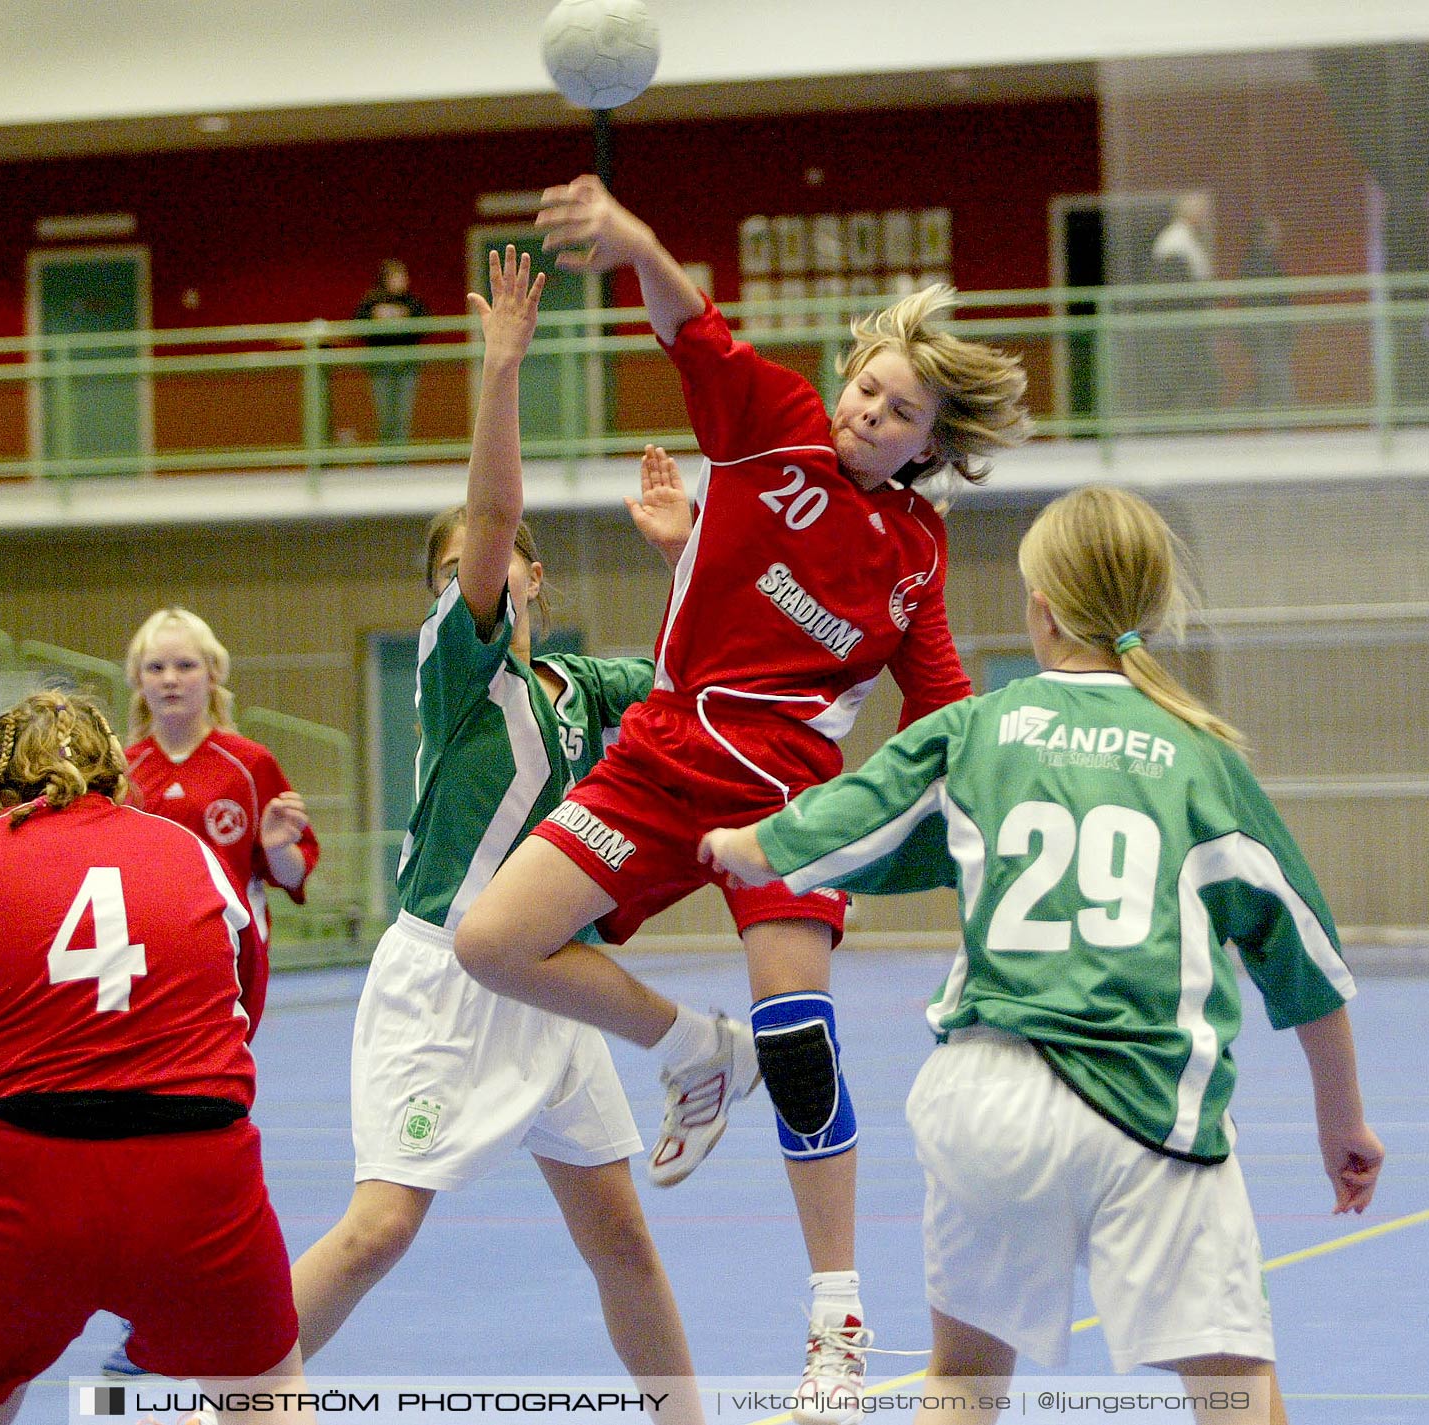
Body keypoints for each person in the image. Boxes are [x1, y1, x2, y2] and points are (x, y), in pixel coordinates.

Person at [452, 174, 1030, 1425]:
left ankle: (837, 1328)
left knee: (801, 1037)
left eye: (900, 412)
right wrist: (636, 240)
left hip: (788, 803)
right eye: (869, 386)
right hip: (660, 764)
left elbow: (939, 705)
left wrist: (1005, 789)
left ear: (931, 444)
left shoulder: (916, 556)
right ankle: (690, 1051)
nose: (871, 413)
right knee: (492, 941)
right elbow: (688, 323)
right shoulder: (766, 421)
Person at [700, 485, 1385, 1425]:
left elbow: (847, 820)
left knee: (963, 1381)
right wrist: (1342, 1120)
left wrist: (752, 843)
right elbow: (1301, 954)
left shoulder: (979, 729)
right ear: (1144, 610)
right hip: (1151, 1111)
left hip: (991, 1105)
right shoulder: (1201, 758)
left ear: (1044, 607)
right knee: (1236, 1386)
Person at [291, 245, 704, 1424]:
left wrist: (685, 558)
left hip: (548, 986)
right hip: (443, 978)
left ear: (539, 578)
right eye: (451, 570)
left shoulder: (585, 685)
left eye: (492, 563)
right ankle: (231, 1387)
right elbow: (491, 504)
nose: (468, 573)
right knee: (379, 1232)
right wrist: (502, 367)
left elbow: (694, 679)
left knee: (621, 1233)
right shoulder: (458, 675)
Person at [0, 691, 311, 1425]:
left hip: (21, 1184)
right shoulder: (190, 851)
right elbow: (242, 1005)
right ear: (114, 769)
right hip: (196, 1178)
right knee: (267, 1396)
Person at [103, 606, 319, 1376]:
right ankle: (149, 1309)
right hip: (137, 977)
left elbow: (291, 877)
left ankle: (203, 1309)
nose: (170, 679)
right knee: (133, 1137)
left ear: (213, 675)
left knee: (202, 1135)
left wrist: (276, 849)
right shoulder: (118, 773)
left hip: (225, 978)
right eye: (157, 667)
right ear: (136, 680)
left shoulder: (247, 765)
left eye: (184, 665)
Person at [1144, 192, 1221, 416]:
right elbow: (1175, 288)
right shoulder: (1174, 242)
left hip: (1190, 323)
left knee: (1199, 375)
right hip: (1182, 325)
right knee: (1184, 375)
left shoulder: (1186, 238)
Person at [356, 257, 430, 445]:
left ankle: (400, 459)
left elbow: (425, 324)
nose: (402, 280)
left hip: (408, 364)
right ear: (386, 279)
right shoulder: (372, 300)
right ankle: (386, 461)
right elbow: (358, 323)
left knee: (403, 414)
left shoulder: (413, 302)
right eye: (397, 276)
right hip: (380, 365)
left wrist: (402, 315)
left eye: (403, 276)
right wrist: (379, 314)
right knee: (384, 414)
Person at [1239, 215, 1295, 409]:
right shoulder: (1259, 263)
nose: (1279, 235)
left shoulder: (1263, 261)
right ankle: (1279, 427)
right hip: (1267, 331)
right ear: (1263, 235)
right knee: (1275, 380)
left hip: (1269, 331)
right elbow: (1261, 300)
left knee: (1269, 379)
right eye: (1274, 231)